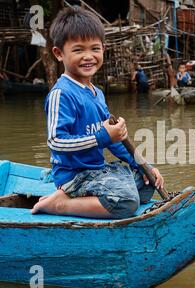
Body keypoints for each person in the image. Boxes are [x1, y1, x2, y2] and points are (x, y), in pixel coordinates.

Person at [31, 7, 164, 219]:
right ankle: (60, 204)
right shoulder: (61, 94)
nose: (88, 57)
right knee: (127, 203)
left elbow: (115, 141)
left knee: (147, 183)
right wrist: (101, 137)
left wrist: (144, 165)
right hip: (74, 176)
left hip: (96, 171)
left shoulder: (97, 94)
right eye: (78, 50)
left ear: (103, 48)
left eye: (94, 49)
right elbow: (56, 142)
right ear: (59, 54)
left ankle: (94, 198)